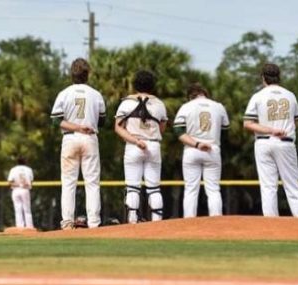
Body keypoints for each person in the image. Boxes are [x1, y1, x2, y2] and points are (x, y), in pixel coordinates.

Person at [243, 63, 298, 218]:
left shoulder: (258, 96)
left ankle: (271, 224)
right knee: (292, 185)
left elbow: (248, 123)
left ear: (263, 78)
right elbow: (296, 121)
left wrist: (271, 130)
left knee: (268, 186)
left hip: (263, 142)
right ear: (279, 76)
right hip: (286, 142)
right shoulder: (290, 95)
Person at [50, 58, 106, 229]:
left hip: (70, 137)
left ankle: (67, 222)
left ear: (71, 74)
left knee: (68, 183)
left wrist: (76, 126)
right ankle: (94, 222)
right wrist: (84, 126)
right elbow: (102, 121)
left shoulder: (64, 93)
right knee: (92, 183)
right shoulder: (95, 94)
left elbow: (55, 120)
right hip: (89, 137)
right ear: (87, 74)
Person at [114, 70, 168, 224]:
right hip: (153, 145)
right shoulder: (159, 104)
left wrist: (135, 140)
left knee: (133, 187)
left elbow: (118, 128)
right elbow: (162, 128)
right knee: (154, 188)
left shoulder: (126, 103)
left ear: (135, 84)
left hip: (133, 145)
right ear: (152, 86)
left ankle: (132, 220)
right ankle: (157, 220)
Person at [173, 83, 230, 218]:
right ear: (205, 93)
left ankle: (189, 221)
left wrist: (197, 144)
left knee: (191, 189)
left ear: (190, 96)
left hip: (192, 149)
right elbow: (225, 131)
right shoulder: (218, 106)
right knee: (213, 189)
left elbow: (178, 131)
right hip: (212, 149)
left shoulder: (186, 107)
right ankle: (216, 220)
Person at [7, 155, 34, 229]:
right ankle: (30, 227)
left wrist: (17, 184)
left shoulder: (13, 169)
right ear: (25, 161)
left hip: (16, 189)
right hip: (25, 189)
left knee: (18, 209)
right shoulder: (29, 169)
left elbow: (9, 182)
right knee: (27, 209)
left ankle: (20, 227)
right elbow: (31, 181)